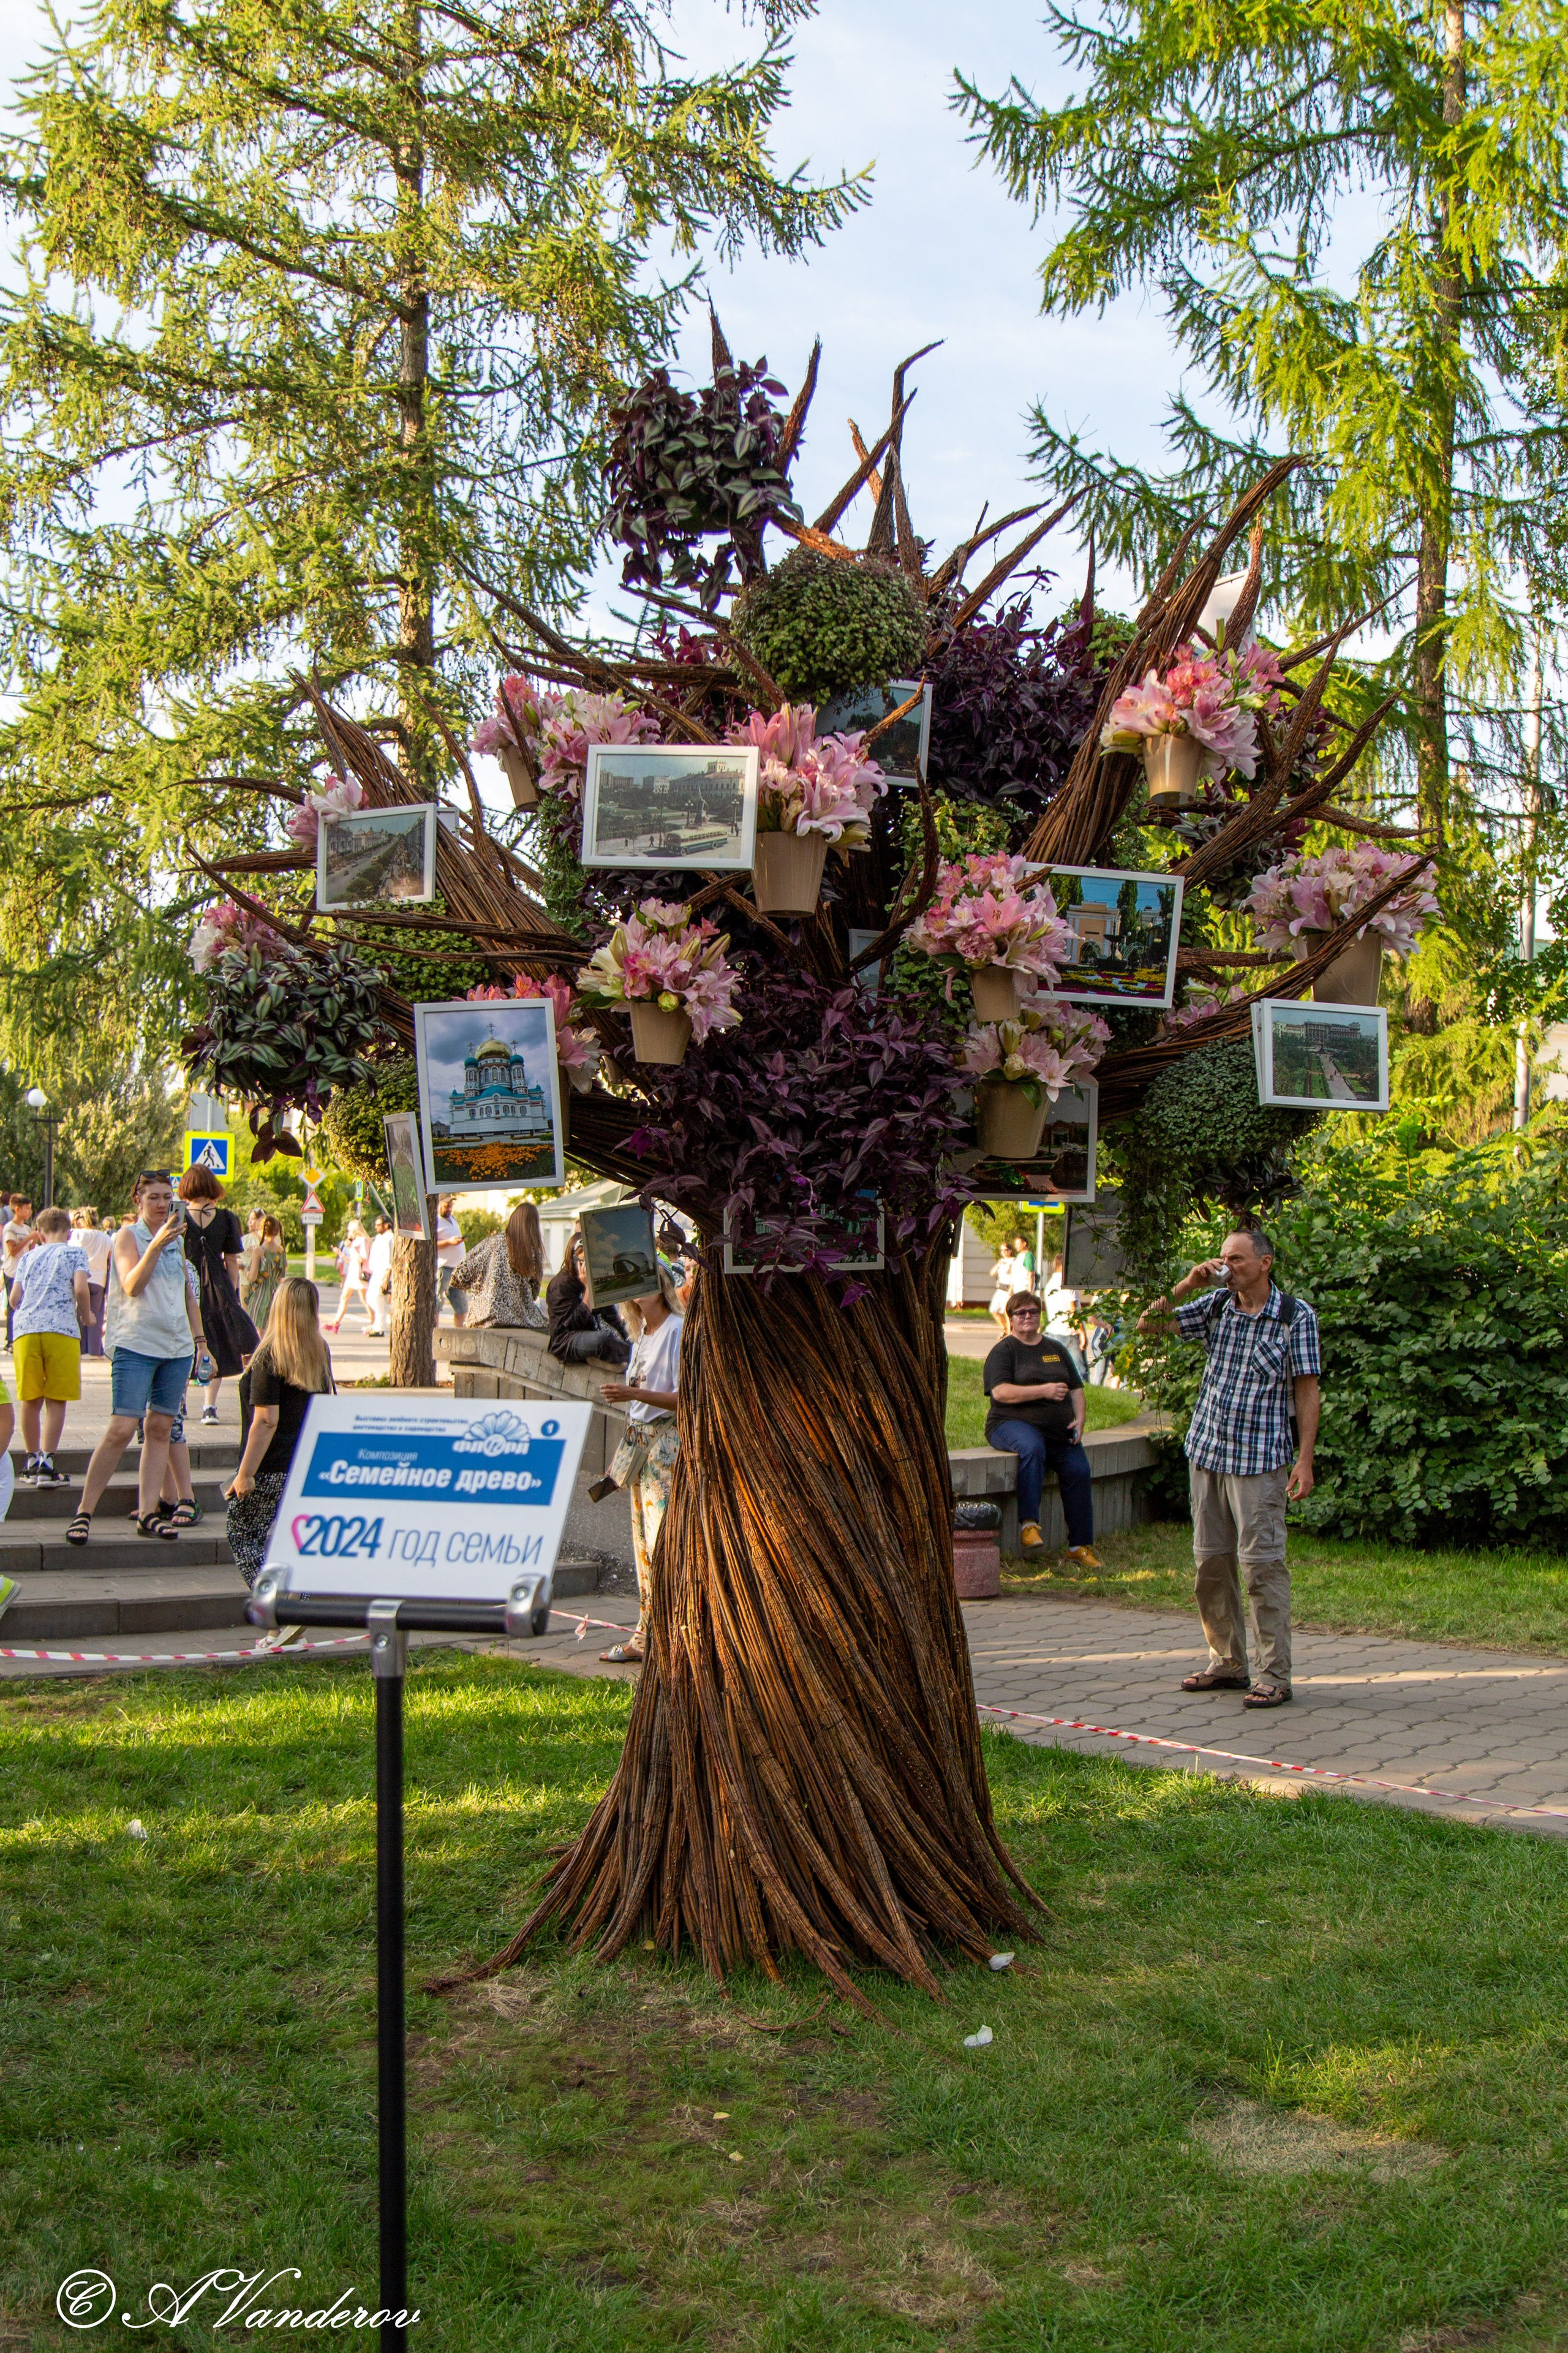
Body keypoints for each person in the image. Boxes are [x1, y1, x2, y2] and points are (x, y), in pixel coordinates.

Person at [1138, 1225, 1321, 1710]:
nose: (1225, 1266)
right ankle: (1227, 1662)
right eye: (1223, 1258)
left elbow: (1307, 1389)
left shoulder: (1294, 1317)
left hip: (1259, 1462)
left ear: (1265, 1263)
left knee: (1262, 1567)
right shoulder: (1216, 1306)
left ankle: (1274, 1674)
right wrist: (1187, 1284)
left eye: (1236, 1258)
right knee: (1211, 1564)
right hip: (1208, 1454)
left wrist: (1304, 1459)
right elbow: (1148, 1325)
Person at [67, 1170, 205, 1546]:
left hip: (176, 1347)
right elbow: (131, 1285)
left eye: (166, 1197)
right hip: (136, 1344)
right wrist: (157, 1244)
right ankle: (84, 1512)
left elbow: (187, 1294)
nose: (161, 1204)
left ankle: (147, 1514)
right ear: (138, 1201)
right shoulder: (127, 1237)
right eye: (153, 1197)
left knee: (160, 1429)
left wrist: (201, 1342)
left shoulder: (177, 1239)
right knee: (123, 1428)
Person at [227, 1278, 334, 1648]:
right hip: (308, 1464)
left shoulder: (270, 1354)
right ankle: (297, 1609)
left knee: (243, 1533)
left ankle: (277, 1612)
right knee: (298, 1541)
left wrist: (245, 1474)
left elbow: (266, 1420)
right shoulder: (318, 1350)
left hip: (271, 1467)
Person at [596, 1259, 683, 1664]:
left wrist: (633, 1395)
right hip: (639, 1444)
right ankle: (646, 1634)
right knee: (643, 1546)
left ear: (662, 1286)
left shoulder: (676, 1330)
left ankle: (666, 1635)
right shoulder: (642, 1334)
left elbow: (684, 1396)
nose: (640, 1292)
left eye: (647, 1282)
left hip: (664, 1446)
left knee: (661, 1541)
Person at [982, 1291, 1101, 1565]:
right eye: (1021, 1313)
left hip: (1058, 1432)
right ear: (1011, 1318)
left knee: (1079, 1470)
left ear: (1040, 1315)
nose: (1028, 1317)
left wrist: (1080, 1419)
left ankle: (1079, 1546)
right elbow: (1000, 1392)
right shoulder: (1004, 1351)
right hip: (1008, 1425)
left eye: (1033, 1312)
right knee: (1032, 1446)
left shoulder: (1056, 1349)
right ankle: (1029, 1525)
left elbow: (1076, 1388)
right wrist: (1044, 1391)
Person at [9, 1205, 90, 1486]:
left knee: (30, 1399)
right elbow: (80, 1288)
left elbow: (14, 1298)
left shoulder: (28, 1257)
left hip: (26, 1331)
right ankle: (47, 1464)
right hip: (61, 1329)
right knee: (56, 1400)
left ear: (40, 1235)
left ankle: (31, 1461)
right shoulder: (75, 1253)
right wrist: (87, 1315)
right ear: (69, 1232)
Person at [177, 1166, 259, 1424]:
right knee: (217, 1345)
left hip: (186, 1283)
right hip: (218, 1288)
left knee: (183, 1340)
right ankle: (209, 1407)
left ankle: (180, 1401)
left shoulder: (178, 1216)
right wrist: (232, 1294)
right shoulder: (226, 1218)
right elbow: (232, 1261)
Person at [449, 1203, 548, 1331]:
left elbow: (459, 1275)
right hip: (521, 1319)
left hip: (483, 1317)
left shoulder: (490, 1244)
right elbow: (534, 1293)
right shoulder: (533, 1252)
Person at [545, 1232, 631, 1367]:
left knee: (629, 1334)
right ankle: (633, 1357)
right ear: (575, 1259)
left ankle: (629, 1355)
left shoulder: (595, 1279)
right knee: (603, 1340)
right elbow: (575, 1325)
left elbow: (611, 1316)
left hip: (590, 1333)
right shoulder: (561, 1285)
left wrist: (629, 1335)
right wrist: (589, 1290)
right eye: (585, 1261)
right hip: (566, 1341)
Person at [72, 1208, 111, 1356]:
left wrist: (72, 1221)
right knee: (96, 1314)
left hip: (80, 1277)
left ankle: (79, 1347)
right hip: (99, 1279)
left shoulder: (78, 1234)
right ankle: (94, 1349)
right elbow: (110, 1257)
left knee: (79, 1313)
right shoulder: (105, 1237)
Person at [244, 1215, 290, 1338]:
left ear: (262, 1231)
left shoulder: (259, 1251)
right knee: (272, 1330)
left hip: (259, 1295)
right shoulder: (281, 1252)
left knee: (258, 1330)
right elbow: (281, 1279)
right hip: (275, 1294)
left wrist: (246, 1271)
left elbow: (253, 1277)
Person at [325, 1218, 370, 1333]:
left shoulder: (363, 1241)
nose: (349, 1233)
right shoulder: (355, 1242)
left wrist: (352, 1248)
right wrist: (340, 1254)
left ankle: (374, 1323)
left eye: (350, 1230)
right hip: (352, 1274)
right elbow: (352, 1260)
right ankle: (336, 1323)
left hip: (360, 1274)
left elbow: (363, 1258)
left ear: (355, 1230)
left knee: (364, 1299)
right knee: (344, 1297)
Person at [2, 1194, 33, 1348]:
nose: (30, 1212)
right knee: (13, 1305)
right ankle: (10, 1340)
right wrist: (28, 1239)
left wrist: (34, 1240)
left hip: (24, 1272)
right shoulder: (10, 1228)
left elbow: (30, 1250)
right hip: (12, 1271)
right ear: (17, 1209)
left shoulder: (27, 1228)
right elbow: (13, 1250)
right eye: (27, 1208)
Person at [435, 1197, 467, 1325]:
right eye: (446, 1206)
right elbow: (432, 1245)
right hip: (444, 1268)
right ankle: (435, 1333)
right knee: (437, 1305)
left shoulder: (452, 1219)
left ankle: (460, 1334)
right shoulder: (436, 1221)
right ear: (439, 1205)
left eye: (451, 1206)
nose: (449, 1209)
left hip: (458, 1269)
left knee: (462, 1308)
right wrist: (449, 1242)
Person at [364, 1217, 394, 1337]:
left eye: (378, 1225)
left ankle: (379, 1328)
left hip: (383, 1274)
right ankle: (391, 1316)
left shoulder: (390, 1238)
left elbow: (390, 1260)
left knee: (378, 1299)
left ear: (386, 1225)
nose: (376, 1227)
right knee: (371, 1298)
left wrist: (386, 1278)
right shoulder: (379, 1237)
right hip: (376, 1272)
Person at [987, 1242, 1016, 1335]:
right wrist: (999, 1263)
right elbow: (992, 1273)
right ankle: (1005, 1328)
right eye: (1002, 1250)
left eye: (1006, 1250)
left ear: (1010, 1251)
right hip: (1000, 1288)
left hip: (1008, 1289)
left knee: (1007, 1312)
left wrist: (1011, 1288)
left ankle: (1010, 1333)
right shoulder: (1002, 1262)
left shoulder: (1013, 1261)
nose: (1004, 1252)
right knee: (993, 1310)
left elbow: (1015, 1276)